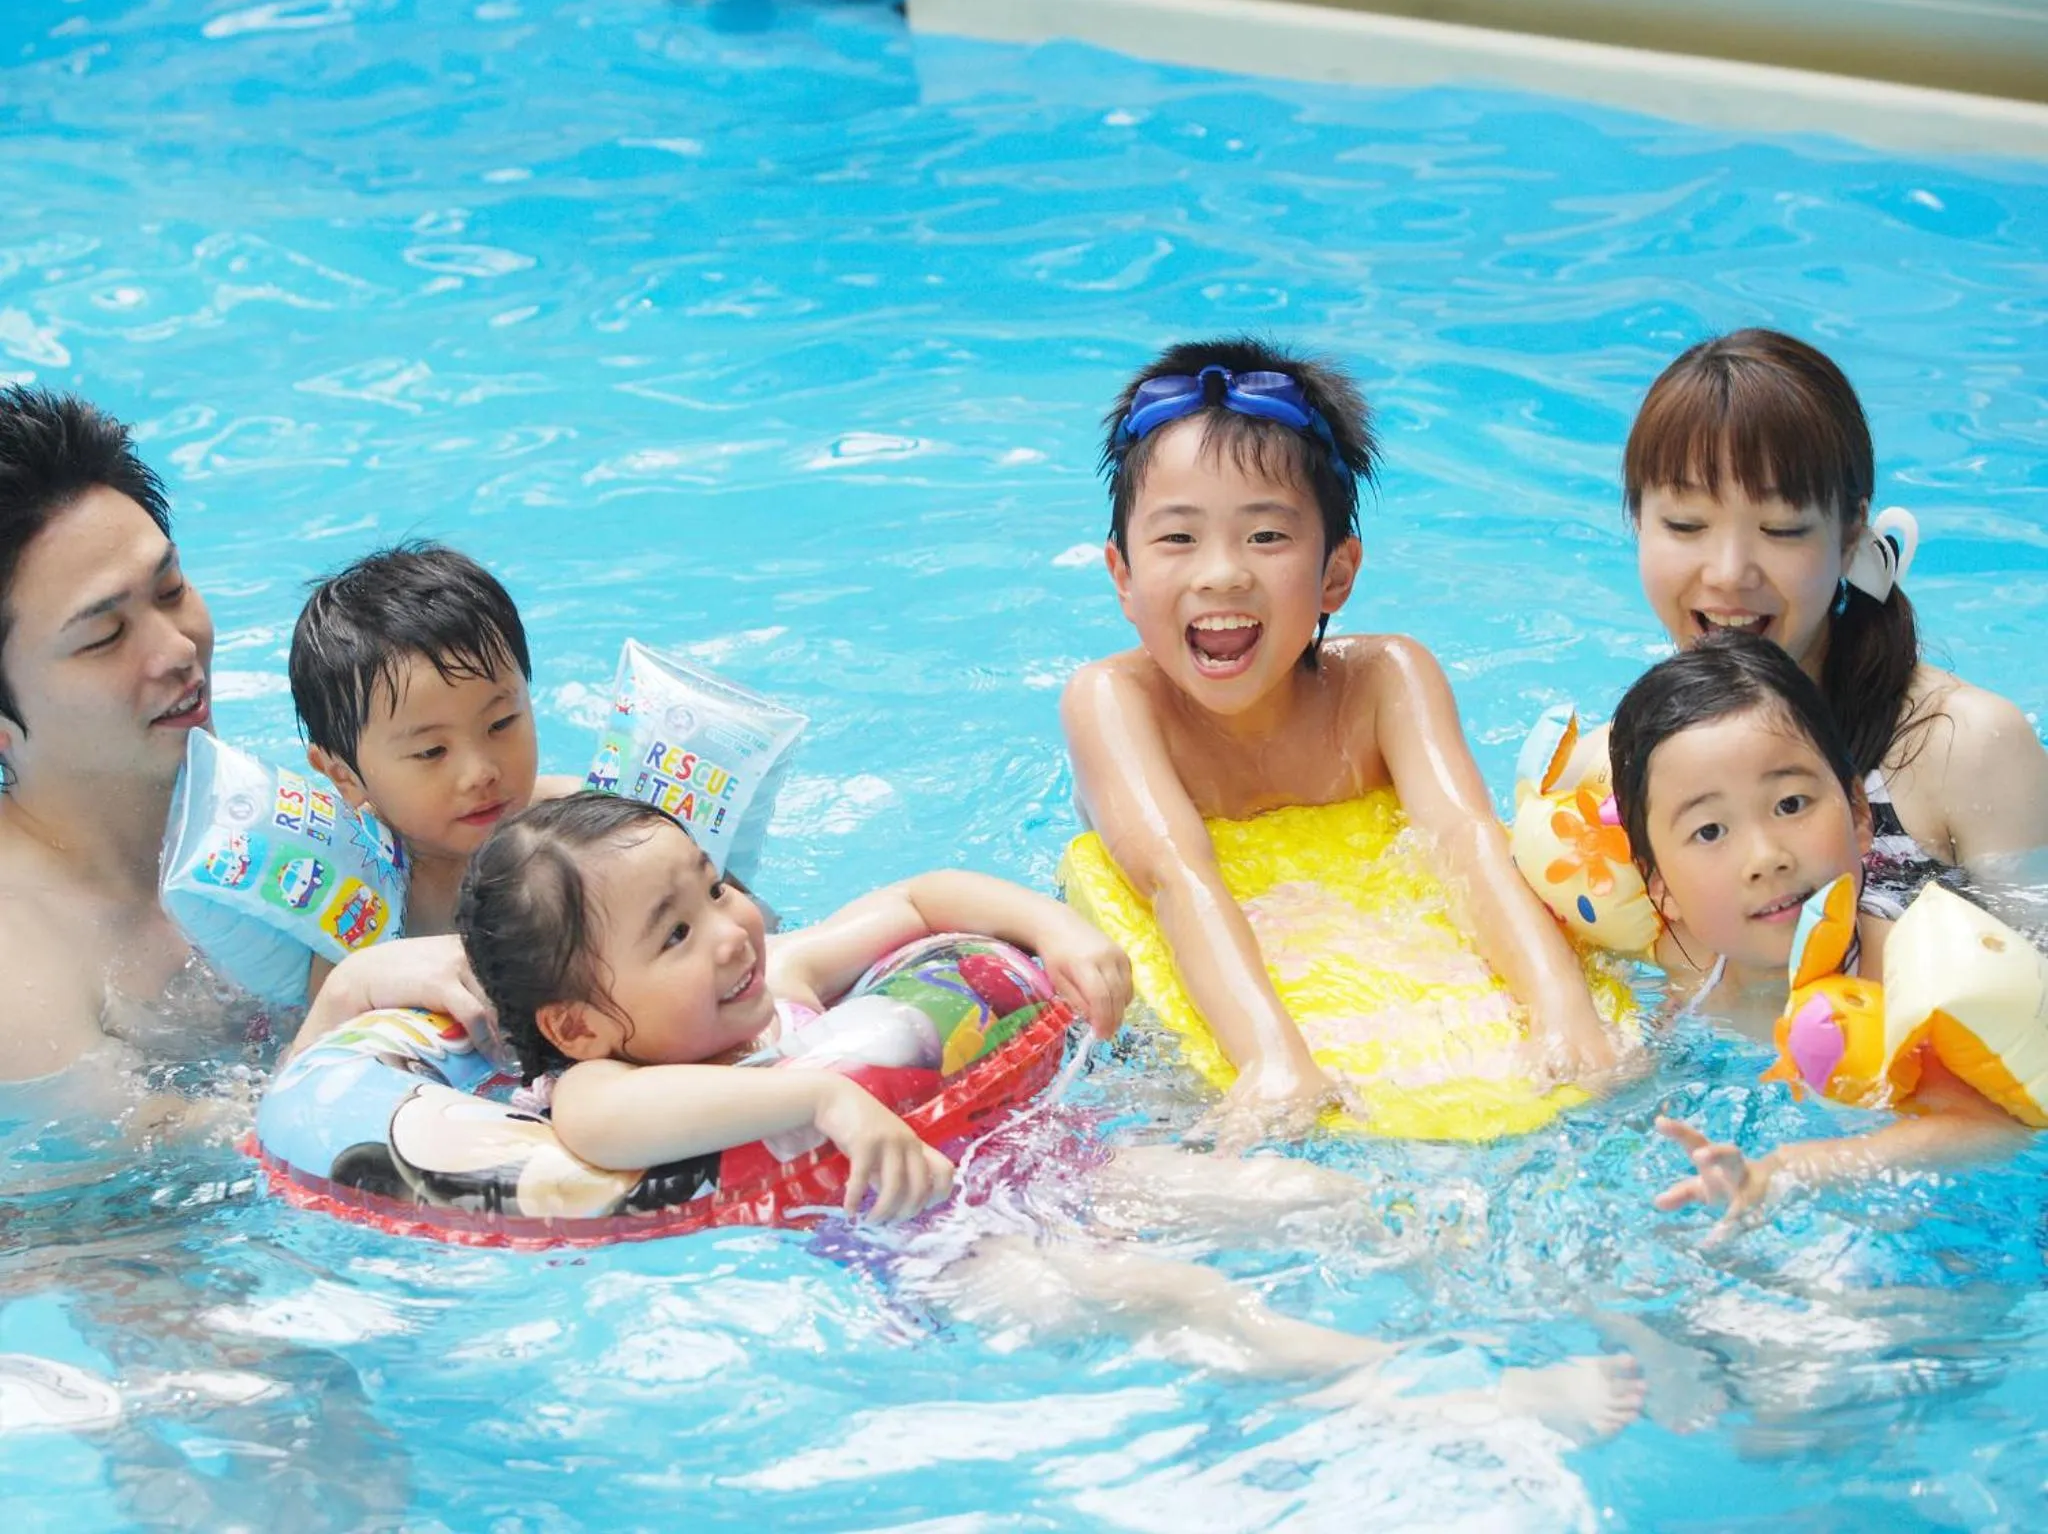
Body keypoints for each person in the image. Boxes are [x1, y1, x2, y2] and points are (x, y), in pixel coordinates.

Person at [451, 791, 1644, 1433]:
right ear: (578, 1025)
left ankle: (1523, 1291)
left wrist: (1058, 930)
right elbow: (600, 1131)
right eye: (675, 932)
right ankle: (1437, 1401)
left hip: (1044, 1167)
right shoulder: (599, 1085)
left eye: (715, 888)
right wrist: (819, 1097)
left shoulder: (788, 982)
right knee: (1168, 1293)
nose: (730, 931)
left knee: (1299, 1193)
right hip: (936, 1250)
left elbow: (923, 897)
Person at [1061, 338, 1619, 1137]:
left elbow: (1466, 839)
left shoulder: (1386, 682)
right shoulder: (1115, 701)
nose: (1221, 573)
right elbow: (1177, 878)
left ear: (1336, 575)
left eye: (1266, 537)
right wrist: (1271, 1058)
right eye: (1178, 539)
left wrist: (1564, 1016)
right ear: (1122, 576)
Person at [0, 387, 480, 1086]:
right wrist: (347, 1000)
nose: (177, 650)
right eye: (104, 637)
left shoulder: (254, 808)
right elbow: (170, 1148)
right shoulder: (20, 972)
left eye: (171, 590)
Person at [1606, 632, 2027, 1234]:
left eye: (1790, 804)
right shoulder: (1684, 971)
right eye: (1710, 831)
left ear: (1858, 813)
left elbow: (1991, 1128)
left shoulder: (1912, 977)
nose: (1765, 857)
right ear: (1662, 889)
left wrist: (1791, 1171)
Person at [1621, 327, 2048, 909]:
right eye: (1686, 525)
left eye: (1780, 529)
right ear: (1638, 525)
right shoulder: (1629, 763)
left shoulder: (1967, 749)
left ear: (1849, 536)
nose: (1728, 573)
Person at [287, 541, 583, 977]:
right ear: (343, 775)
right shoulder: (358, 903)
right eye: (432, 751)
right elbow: (330, 1019)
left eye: (501, 723)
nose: (481, 773)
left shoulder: (576, 824)